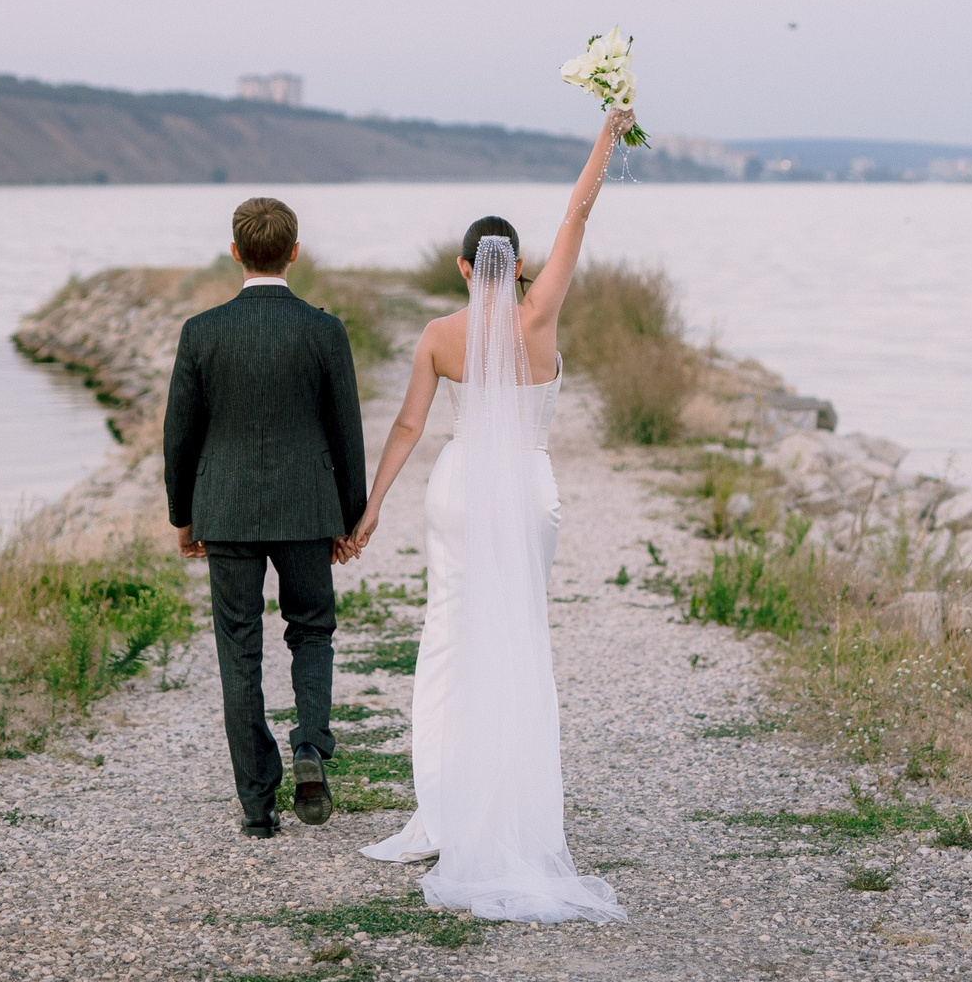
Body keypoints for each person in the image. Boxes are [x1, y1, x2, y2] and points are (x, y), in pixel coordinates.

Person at [351, 107, 636, 922]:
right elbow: (578, 210)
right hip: (527, 489)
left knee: (446, 639)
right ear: (517, 267)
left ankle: (440, 813)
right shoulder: (538, 315)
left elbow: (407, 426)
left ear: (459, 265)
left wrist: (370, 509)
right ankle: (517, 809)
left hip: (459, 488)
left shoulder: (440, 333)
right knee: (519, 634)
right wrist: (607, 134)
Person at [162, 196, 368, 839]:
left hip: (224, 510)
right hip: (308, 508)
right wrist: (350, 516)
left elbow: (179, 436)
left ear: (234, 254)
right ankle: (310, 747)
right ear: (295, 253)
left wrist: (183, 516)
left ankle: (258, 806)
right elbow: (346, 432)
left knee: (238, 652)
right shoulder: (323, 330)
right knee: (311, 631)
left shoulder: (202, 331)